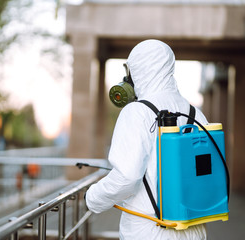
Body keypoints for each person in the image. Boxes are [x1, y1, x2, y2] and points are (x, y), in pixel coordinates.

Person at [85, 39, 208, 239]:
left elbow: (127, 177)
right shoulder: (196, 113)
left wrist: (91, 198)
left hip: (150, 230)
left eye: (129, 71)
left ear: (138, 70)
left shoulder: (137, 112)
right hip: (194, 230)